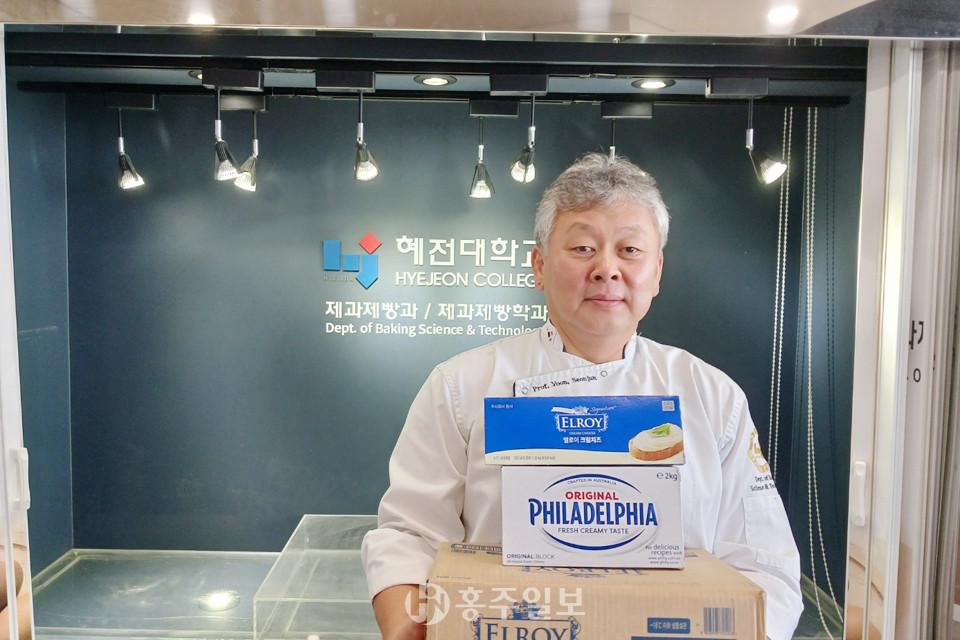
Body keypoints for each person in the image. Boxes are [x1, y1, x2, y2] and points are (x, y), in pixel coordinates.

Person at [361, 152, 803, 640]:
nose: (606, 269)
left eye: (630, 250)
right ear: (539, 266)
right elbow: (411, 537)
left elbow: (763, 563)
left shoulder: (712, 396)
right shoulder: (462, 385)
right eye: (583, 248)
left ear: (657, 271)